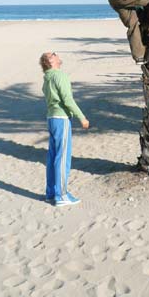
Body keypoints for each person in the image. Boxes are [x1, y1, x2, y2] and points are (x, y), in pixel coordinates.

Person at [40, 51, 89, 207]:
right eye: (53, 54)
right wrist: (82, 117)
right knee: (62, 158)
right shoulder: (58, 75)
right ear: (51, 61)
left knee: (53, 156)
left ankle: (51, 193)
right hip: (61, 119)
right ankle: (61, 195)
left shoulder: (47, 77)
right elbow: (67, 99)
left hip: (52, 118)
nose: (56, 54)